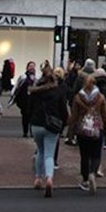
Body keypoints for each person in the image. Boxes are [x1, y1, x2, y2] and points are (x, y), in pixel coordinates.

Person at [27, 61, 67, 197]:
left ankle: (38, 178)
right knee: (49, 154)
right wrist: (63, 124)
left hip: (37, 124)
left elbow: (29, 109)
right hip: (52, 125)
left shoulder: (35, 91)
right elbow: (63, 111)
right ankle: (49, 178)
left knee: (40, 151)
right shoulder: (58, 92)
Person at [68, 68, 106, 193]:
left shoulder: (77, 97)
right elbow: (105, 115)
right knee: (96, 154)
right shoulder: (101, 97)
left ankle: (85, 179)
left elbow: (74, 116)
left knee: (84, 155)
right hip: (97, 128)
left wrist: (71, 132)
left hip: (82, 129)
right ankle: (93, 173)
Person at [10, 59, 37, 137]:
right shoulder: (23, 77)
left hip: (34, 101)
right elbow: (17, 88)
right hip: (25, 101)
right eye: (30, 66)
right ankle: (25, 132)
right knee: (25, 117)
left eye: (33, 66)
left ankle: (32, 132)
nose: (32, 68)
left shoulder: (37, 78)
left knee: (33, 117)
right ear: (27, 68)